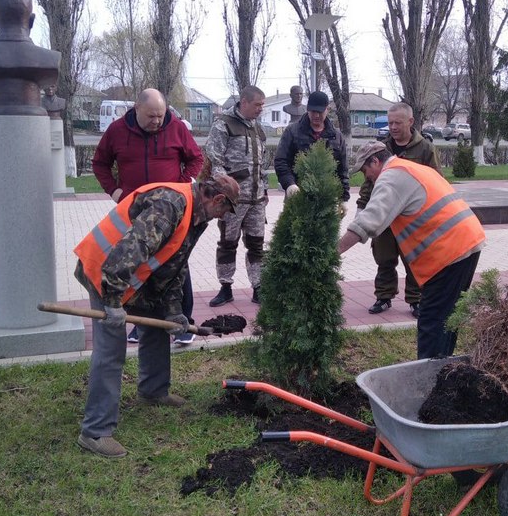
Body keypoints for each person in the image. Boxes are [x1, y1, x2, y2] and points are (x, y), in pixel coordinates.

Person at [74, 175, 239, 458]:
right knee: (111, 348)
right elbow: (127, 253)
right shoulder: (169, 206)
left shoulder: (196, 215)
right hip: (104, 271)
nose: (224, 216)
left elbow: (175, 264)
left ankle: (153, 390)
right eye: (226, 210)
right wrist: (112, 303)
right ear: (218, 199)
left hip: (131, 276)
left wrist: (173, 311)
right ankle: (95, 431)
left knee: (157, 321)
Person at [338, 142, 486, 360]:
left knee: (431, 319)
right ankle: (444, 367)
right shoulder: (410, 168)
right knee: (447, 316)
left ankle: (427, 373)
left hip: (449, 252)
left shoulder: (391, 177)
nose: (366, 177)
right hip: (467, 242)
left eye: (365, 170)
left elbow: (369, 221)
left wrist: (334, 252)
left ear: (376, 161)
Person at [92, 88, 204, 345]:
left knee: (176, 263)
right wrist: (115, 191)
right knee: (137, 264)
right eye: (151, 116)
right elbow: (100, 163)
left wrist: (180, 185)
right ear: (136, 109)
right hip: (134, 211)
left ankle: (183, 322)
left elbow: (196, 159)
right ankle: (139, 323)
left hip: (170, 212)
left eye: (160, 115)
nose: (157, 121)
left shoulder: (176, 128)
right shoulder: (117, 131)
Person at [357, 103, 441, 318]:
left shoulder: (425, 149)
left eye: (398, 122)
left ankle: (416, 299)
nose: (393, 127)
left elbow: (435, 180)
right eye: (390, 122)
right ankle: (383, 296)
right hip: (384, 213)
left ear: (410, 122)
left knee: (413, 259)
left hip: (411, 217)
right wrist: (362, 207)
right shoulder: (382, 148)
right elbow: (369, 181)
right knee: (383, 258)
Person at [204, 85, 269, 307]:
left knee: (256, 244)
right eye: (257, 105)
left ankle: (258, 287)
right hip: (232, 201)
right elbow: (215, 161)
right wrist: (225, 186)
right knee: (228, 243)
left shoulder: (257, 128)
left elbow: (262, 164)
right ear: (244, 102)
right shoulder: (223, 125)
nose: (261, 109)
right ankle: (225, 288)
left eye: (262, 105)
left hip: (256, 200)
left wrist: (264, 190)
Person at [274, 90, 350, 204]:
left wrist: (343, 198)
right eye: (313, 111)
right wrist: (289, 184)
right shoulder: (292, 131)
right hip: (297, 196)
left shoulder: (336, 136)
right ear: (308, 109)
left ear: (327, 109)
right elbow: (281, 161)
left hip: (327, 199)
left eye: (320, 112)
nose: (316, 115)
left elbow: (342, 170)